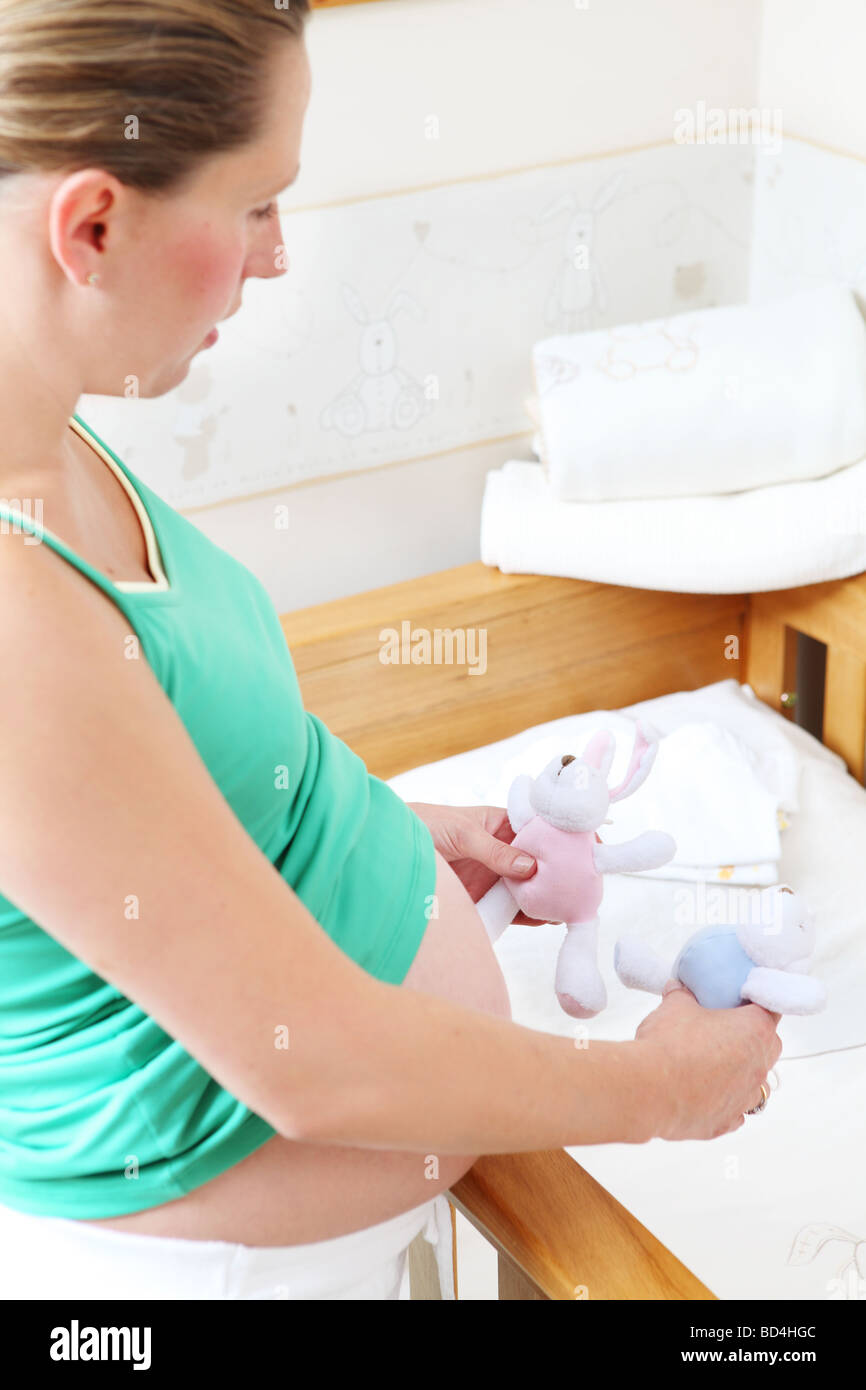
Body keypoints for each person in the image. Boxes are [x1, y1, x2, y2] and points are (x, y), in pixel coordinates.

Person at [0, 0, 781, 1301]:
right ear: (90, 227)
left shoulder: (50, 428)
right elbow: (308, 1060)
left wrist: (370, 821)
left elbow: (121, 801)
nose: (278, 257)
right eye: (256, 203)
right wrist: (664, 1088)